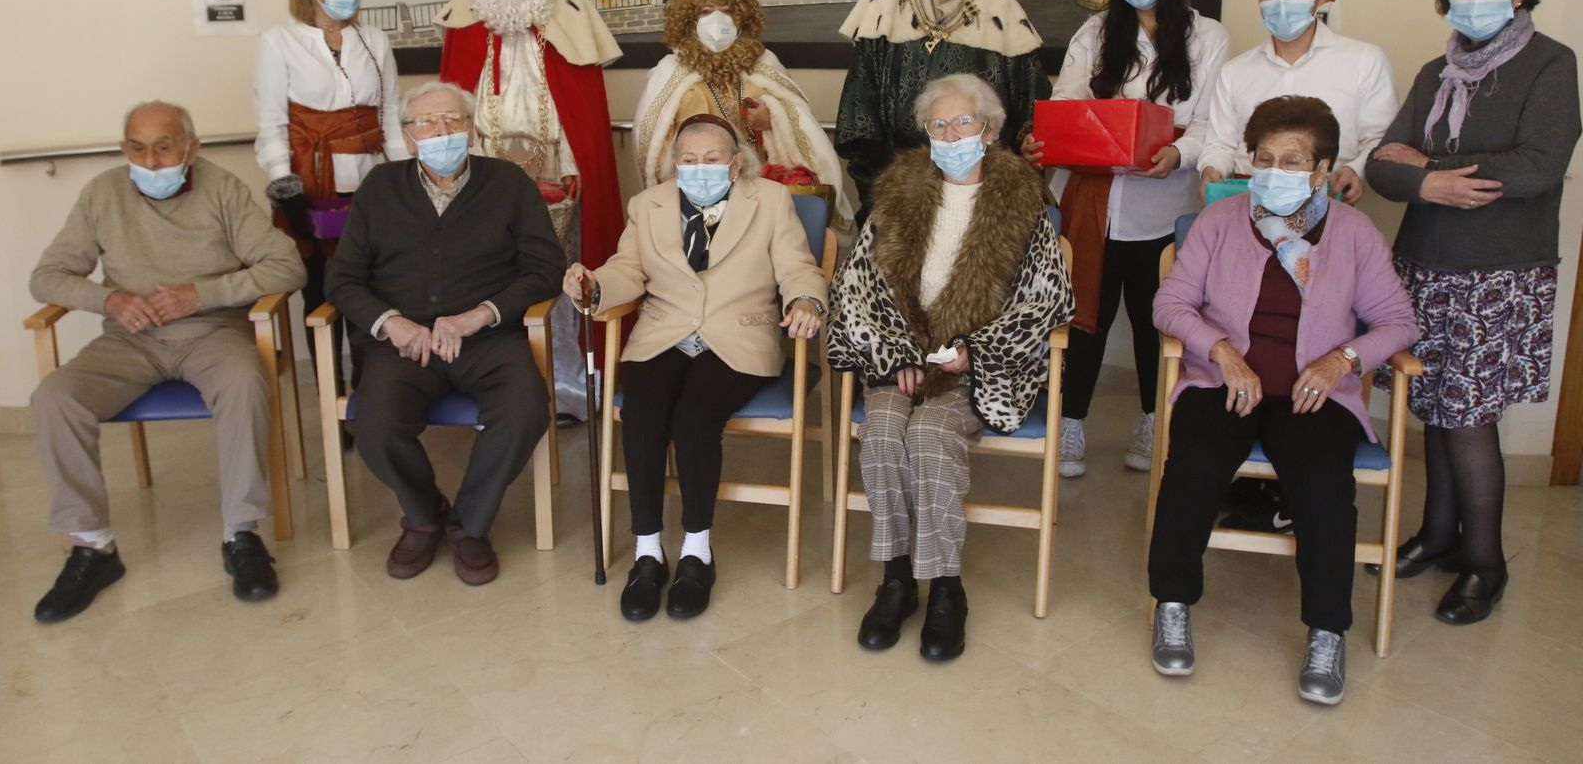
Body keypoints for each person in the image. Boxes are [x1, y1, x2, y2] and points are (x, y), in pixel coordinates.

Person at [1148, 96, 1418, 706]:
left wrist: (1341, 360)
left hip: (1312, 393)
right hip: (1225, 383)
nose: (1273, 171)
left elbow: (1398, 322)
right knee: (1192, 468)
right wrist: (1219, 350)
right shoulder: (1221, 222)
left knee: (1324, 486)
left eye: (1292, 161)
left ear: (1323, 168)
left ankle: (1327, 631)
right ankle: (1172, 602)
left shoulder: (1353, 234)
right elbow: (1170, 304)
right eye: (1263, 158)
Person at [1365, 0, 1580, 625]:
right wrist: (1426, 178)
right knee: (1431, 404)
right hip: (1426, 261)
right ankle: (1437, 535)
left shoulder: (1551, 63)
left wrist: (1427, 169)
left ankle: (1485, 561)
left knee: (1470, 418)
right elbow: (1380, 166)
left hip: (1499, 271)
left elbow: (1541, 165)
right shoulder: (1436, 71)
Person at [28, 101, 305, 621]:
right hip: (130, 340)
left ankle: (241, 535)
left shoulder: (222, 189)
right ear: (122, 150)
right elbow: (47, 277)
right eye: (137, 148)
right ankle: (92, 545)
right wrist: (108, 300)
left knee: (246, 383)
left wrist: (201, 295)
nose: (151, 161)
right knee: (54, 397)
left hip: (213, 331)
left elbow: (286, 266)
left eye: (163, 146)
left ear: (191, 149)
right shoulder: (101, 193)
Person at [828, 74, 1073, 661]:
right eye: (938, 125)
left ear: (989, 131)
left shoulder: (1023, 202)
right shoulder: (896, 194)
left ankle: (945, 588)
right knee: (884, 431)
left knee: (932, 435)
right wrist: (898, 354)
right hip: (902, 359)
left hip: (977, 364)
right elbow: (857, 286)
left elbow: (1047, 300)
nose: (949, 134)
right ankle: (895, 577)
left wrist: (973, 352)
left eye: (962, 122)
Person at [563, 115, 828, 621]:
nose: (699, 168)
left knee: (693, 419)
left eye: (711, 160)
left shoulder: (770, 201)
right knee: (641, 414)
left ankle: (696, 552)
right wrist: (594, 286)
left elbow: (798, 267)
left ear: (735, 163)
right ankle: (646, 553)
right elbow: (627, 269)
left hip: (739, 335)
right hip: (663, 333)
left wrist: (806, 302)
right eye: (688, 159)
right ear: (673, 163)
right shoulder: (648, 204)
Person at [326, 82, 566, 586]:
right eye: (428, 124)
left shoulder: (507, 183)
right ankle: (423, 514)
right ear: (409, 137)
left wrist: (479, 315)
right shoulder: (380, 188)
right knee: (371, 421)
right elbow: (342, 279)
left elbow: (545, 268)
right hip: (404, 344)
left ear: (472, 128)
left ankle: (470, 523)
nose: (442, 132)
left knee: (525, 409)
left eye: (454, 121)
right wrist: (392, 322)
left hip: (486, 339)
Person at [1042, 0, 1231, 479]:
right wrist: (1071, 135)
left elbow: (1211, 122)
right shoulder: (1096, 32)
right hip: (1093, 201)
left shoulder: (1208, 37)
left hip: (1164, 206)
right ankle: (1070, 421)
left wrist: (1181, 153)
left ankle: (1155, 419)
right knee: (1083, 314)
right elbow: (1067, 101)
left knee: (1158, 319)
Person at [437, 0, 625, 424]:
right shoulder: (464, 16)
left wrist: (575, 166)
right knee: (488, 276)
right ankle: (496, 388)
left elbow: (581, 107)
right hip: (483, 175)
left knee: (560, 277)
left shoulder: (570, 10)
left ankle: (567, 388)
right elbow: (454, 104)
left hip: (557, 175)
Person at [835, 0, 1049, 221]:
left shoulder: (1002, 9)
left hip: (984, 192)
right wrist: (894, 178)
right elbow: (859, 113)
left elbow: (1033, 113)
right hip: (897, 189)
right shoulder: (884, 3)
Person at [254, 0, 409, 394]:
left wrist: (405, 181)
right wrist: (286, 188)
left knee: (373, 287)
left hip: (369, 182)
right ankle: (330, 393)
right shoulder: (278, 43)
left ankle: (368, 388)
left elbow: (390, 117)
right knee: (320, 292)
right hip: (311, 182)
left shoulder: (374, 40)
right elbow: (271, 123)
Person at [633, 0, 854, 231]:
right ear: (689, 19)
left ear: (741, 17)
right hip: (697, 188)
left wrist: (772, 117)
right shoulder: (669, 70)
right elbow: (653, 142)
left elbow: (798, 117)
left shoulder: (764, 61)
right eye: (706, 12)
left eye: (726, 11)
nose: (717, 20)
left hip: (758, 186)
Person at [1198, 0, 1398, 205]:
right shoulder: (1235, 71)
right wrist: (1212, 168)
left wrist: (1355, 170)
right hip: (1247, 204)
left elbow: (1380, 138)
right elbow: (1220, 144)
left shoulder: (1364, 60)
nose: (1282, 3)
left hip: (1329, 204)